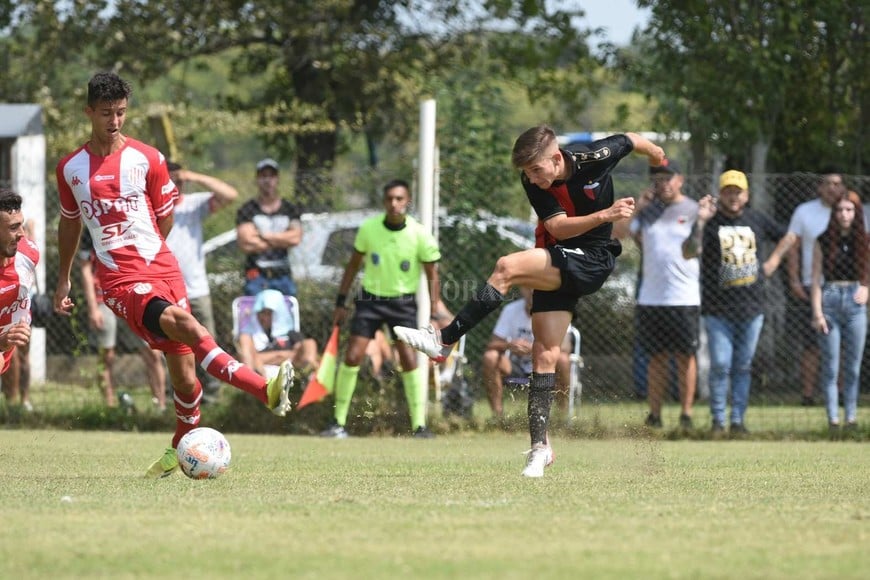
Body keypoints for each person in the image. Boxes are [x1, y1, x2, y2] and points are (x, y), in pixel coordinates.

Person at [53, 71, 294, 479]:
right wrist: (64, 277)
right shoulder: (71, 169)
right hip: (119, 279)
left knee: (185, 379)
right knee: (186, 324)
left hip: (163, 268)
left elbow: (164, 219)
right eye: (107, 113)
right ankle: (263, 390)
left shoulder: (149, 159)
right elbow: (70, 223)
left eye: (122, 113)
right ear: (89, 111)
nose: (115, 121)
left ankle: (176, 451)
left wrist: (150, 256)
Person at [395, 125, 664, 477]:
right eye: (526, 172)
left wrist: (658, 156)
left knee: (506, 267)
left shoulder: (596, 156)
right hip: (560, 252)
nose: (532, 179)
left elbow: (631, 139)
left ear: (556, 159)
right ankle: (540, 448)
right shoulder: (532, 181)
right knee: (544, 354)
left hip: (593, 258)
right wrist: (606, 215)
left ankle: (443, 340)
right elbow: (558, 228)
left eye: (537, 170)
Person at [320, 179, 442, 439]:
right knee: (353, 355)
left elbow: (433, 274)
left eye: (400, 199)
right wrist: (340, 301)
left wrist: (434, 310)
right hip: (370, 301)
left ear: (407, 201)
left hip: (403, 303)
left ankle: (419, 426)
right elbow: (352, 267)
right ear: (384, 202)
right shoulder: (369, 229)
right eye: (390, 199)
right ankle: (337, 422)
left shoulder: (419, 233)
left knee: (409, 360)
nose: (394, 204)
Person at [682, 170, 786, 435]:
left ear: (746, 195)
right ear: (720, 194)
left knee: (743, 366)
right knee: (720, 365)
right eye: (728, 191)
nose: (733, 196)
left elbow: (789, 236)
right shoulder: (710, 222)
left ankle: (738, 421)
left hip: (752, 308)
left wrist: (772, 262)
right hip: (717, 309)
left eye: (738, 192)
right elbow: (688, 251)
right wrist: (701, 221)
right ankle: (718, 421)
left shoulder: (757, 219)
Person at [764, 171, 849, 406]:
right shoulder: (805, 211)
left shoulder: (850, 211)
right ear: (819, 188)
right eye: (828, 184)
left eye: (838, 184)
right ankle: (808, 395)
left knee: (840, 344)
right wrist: (794, 280)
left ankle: (840, 394)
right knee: (811, 344)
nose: (833, 188)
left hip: (843, 286)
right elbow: (793, 246)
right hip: (812, 286)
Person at [630, 160, 699, 430]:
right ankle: (655, 414)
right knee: (656, 358)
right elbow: (624, 233)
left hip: (684, 297)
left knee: (685, 357)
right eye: (658, 178)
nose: (663, 183)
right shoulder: (647, 212)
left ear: (679, 180)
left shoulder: (693, 209)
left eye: (668, 178)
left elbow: (697, 247)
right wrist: (638, 207)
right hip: (651, 297)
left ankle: (686, 415)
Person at [165, 160, 238, 403]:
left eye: (179, 179)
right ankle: (176, 396)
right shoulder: (154, 206)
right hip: (166, 290)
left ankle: (213, 397)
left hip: (196, 289)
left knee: (206, 340)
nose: (176, 183)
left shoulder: (193, 205)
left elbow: (230, 194)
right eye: (171, 179)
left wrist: (194, 176)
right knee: (171, 345)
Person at [78, 228, 168, 411]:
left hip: (133, 298)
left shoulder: (134, 219)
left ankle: (161, 407)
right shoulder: (91, 227)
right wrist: (93, 308)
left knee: (152, 352)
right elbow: (86, 269)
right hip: (103, 299)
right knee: (107, 356)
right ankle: (110, 408)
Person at [810, 192, 867, 433]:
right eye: (840, 210)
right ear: (834, 214)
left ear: (856, 213)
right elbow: (815, 279)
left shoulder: (864, 240)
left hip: (855, 302)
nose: (844, 215)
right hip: (831, 300)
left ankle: (851, 418)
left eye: (849, 210)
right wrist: (817, 313)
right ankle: (833, 420)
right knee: (831, 366)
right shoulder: (823, 240)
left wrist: (866, 288)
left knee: (853, 366)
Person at [481, 286, 572, 418]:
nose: (532, 291)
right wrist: (509, 345)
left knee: (563, 359)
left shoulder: (557, 310)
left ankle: (561, 415)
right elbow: (492, 344)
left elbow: (565, 347)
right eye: (528, 286)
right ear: (522, 289)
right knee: (490, 357)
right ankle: (498, 416)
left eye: (536, 287)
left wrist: (536, 348)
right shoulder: (510, 310)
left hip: (546, 366)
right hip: (515, 366)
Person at [236, 158, 303, 297]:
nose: (267, 180)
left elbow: (295, 238)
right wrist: (282, 239)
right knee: (254, 315)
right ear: (257, 179)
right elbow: (247, 243)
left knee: (286, 314)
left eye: (271, 176)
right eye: (263, 176)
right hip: (256, 274)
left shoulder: (289, 209)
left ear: (277, 179)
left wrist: (263, 236)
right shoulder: (247, 209)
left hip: (283, 274)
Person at [0, 189, 38, 409]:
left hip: (11, 339)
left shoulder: (28, 255)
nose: (22, 234)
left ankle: (22, 401)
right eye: (13, 228)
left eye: (21, 225)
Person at [236, 288, 319, 378]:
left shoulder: (290, 332)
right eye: (262, 313)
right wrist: (283, 355)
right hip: (262, 371)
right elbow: (253, 358)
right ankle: (250, 380)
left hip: (291, 368)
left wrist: (271, 357)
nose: (264, 318)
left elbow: (299, 352)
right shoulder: (249, 335)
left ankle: (312, 372)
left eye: (269, 314)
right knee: (244, 338)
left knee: (310, 343)